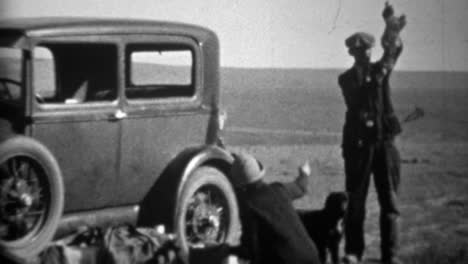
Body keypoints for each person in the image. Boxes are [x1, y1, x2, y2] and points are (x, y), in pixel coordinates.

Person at [337, 2, 406, 264]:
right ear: (353, 53)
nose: (364, 54)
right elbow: (361, 97)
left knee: (390, 203)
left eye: (367, 50)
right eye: (360, 51)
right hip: (359, 147)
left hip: (384, 145)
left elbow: (393, 50)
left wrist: (391, 25)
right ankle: (354, 253)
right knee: (356, 203)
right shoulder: (346, 79)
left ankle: (392, 256)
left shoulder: (380, 71)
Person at [229, 151, 321, 264]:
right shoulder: (279, 189)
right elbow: (300, 187)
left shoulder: (250, 206)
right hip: (312, 257)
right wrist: (304, 174)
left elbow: (250, 250)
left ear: (240, 187)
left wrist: (225, 250)